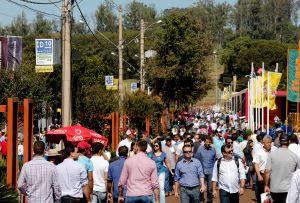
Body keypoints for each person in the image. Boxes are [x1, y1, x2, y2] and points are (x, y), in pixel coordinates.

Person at [264, 134, 300, 203]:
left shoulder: (272, 154)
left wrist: (266, 185)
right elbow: (298, 174)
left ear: (279, 142)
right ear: (289, 141)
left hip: (274, 189)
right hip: (289, 189)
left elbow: (267, 171)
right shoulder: (294, 156)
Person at [253, 135, 275, 203]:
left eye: (270, 142)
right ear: (263, 142)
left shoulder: (274, 150)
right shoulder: (259, 152)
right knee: (263, 194)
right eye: (267, 142)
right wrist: (259, 175)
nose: (269, 144)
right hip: (262, 175)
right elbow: (256, 164)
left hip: (272, 175)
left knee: (272, 194)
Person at [195, 135, 216, 203]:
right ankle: (201, 200)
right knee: (201, 187)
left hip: (210, 171)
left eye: (209, 142)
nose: (208, 143)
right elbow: (197, 160)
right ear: (204, 142)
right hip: (202, 171)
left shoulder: (213, 149)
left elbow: (214, 160)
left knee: (210, 189)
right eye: (207, 142)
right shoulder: (200, 149)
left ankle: (209, 201)